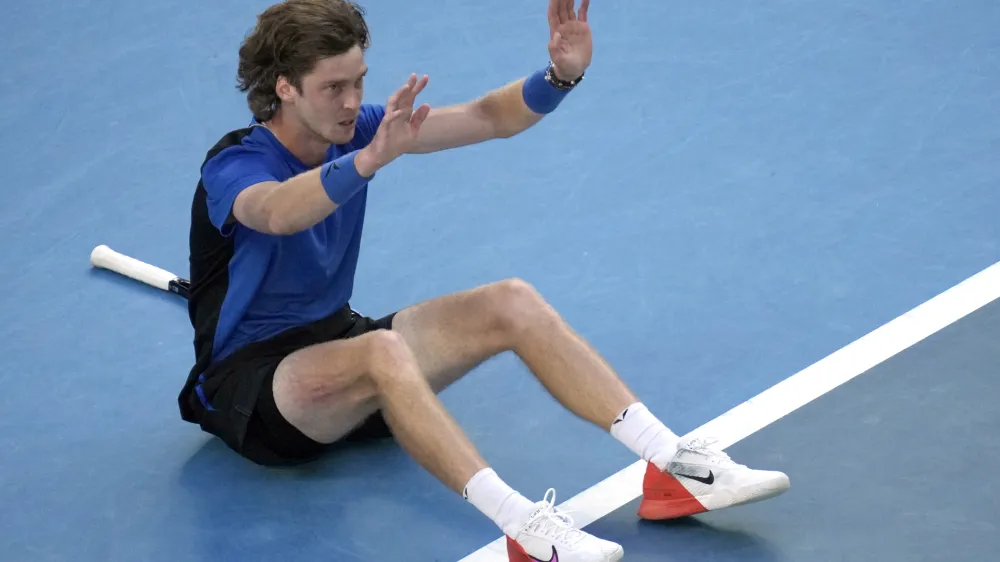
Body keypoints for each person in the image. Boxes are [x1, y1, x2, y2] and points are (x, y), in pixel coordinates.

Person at [177, 0, 790, 560]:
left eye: (358, 81)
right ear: (284, 88)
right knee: (382, 349)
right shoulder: (236, 164)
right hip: (258, 393)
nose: (350, 100)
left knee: (510, 301)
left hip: (343, 349)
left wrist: (560, 77)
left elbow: (486, 117)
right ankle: (522, 528)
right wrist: (366, 161)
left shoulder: (361, 127)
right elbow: (278, 212)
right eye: (333, 87)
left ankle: (672, 467)